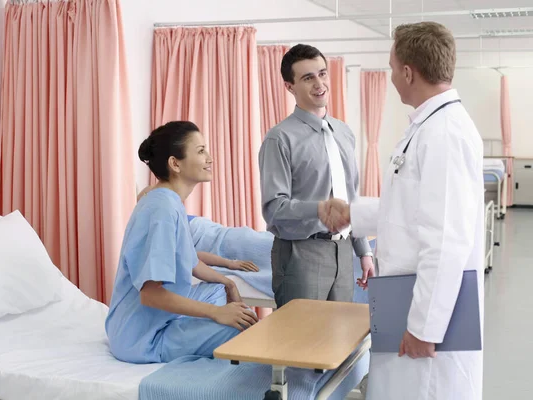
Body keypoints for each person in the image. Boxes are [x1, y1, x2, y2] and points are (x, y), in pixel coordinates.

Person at [327, 22, 485, 400]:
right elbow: (413, 209)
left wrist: (425, 328)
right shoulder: (429, 126)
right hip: (405, 298)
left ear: (409, 72)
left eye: (392, 67)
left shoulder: (444, 133)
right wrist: (354, 213)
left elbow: (446, 238)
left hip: (425, 317)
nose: (392, 77)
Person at [105, 121, 258, 364]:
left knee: (223, 296)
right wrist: (217, 313)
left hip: (152, 321)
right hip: (142, 338)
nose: (210, 158)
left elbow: (191, 260)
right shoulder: (162, 209)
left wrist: (227, 281)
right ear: (175, 163)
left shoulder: (167, 199)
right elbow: (150, 295)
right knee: (244, 327)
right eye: (200, 151)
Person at [258, 43, 374, 308]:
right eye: (308, 78)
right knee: (300, 343)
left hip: (344, 253)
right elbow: (274, 208)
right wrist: (319, 209)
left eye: (322, 74)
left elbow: (351, 198)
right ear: (290, 86)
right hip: (301, 253)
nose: (319, 83)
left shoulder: (344, 133)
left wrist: (364, 252)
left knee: (340, 342)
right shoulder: (280, 138)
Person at [137, 185, 260, 273]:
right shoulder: (161, 232)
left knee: (252, 237)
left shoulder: (172, 214)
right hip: (218, 240)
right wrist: (229, 263)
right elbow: (192, 255)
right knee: (255, 242)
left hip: (221, 231)